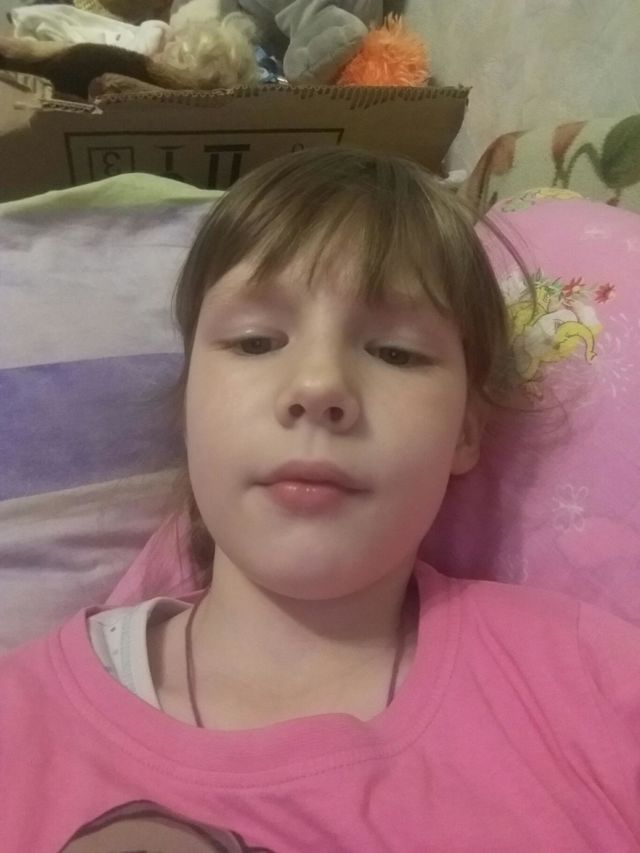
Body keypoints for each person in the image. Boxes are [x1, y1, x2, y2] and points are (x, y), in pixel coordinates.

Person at [1, 148, 639, 852]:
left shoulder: (590, 682)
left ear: (466, 430)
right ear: (187, 407)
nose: (318, 385)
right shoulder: (19, 727)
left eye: (396, 352)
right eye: (255, 341)